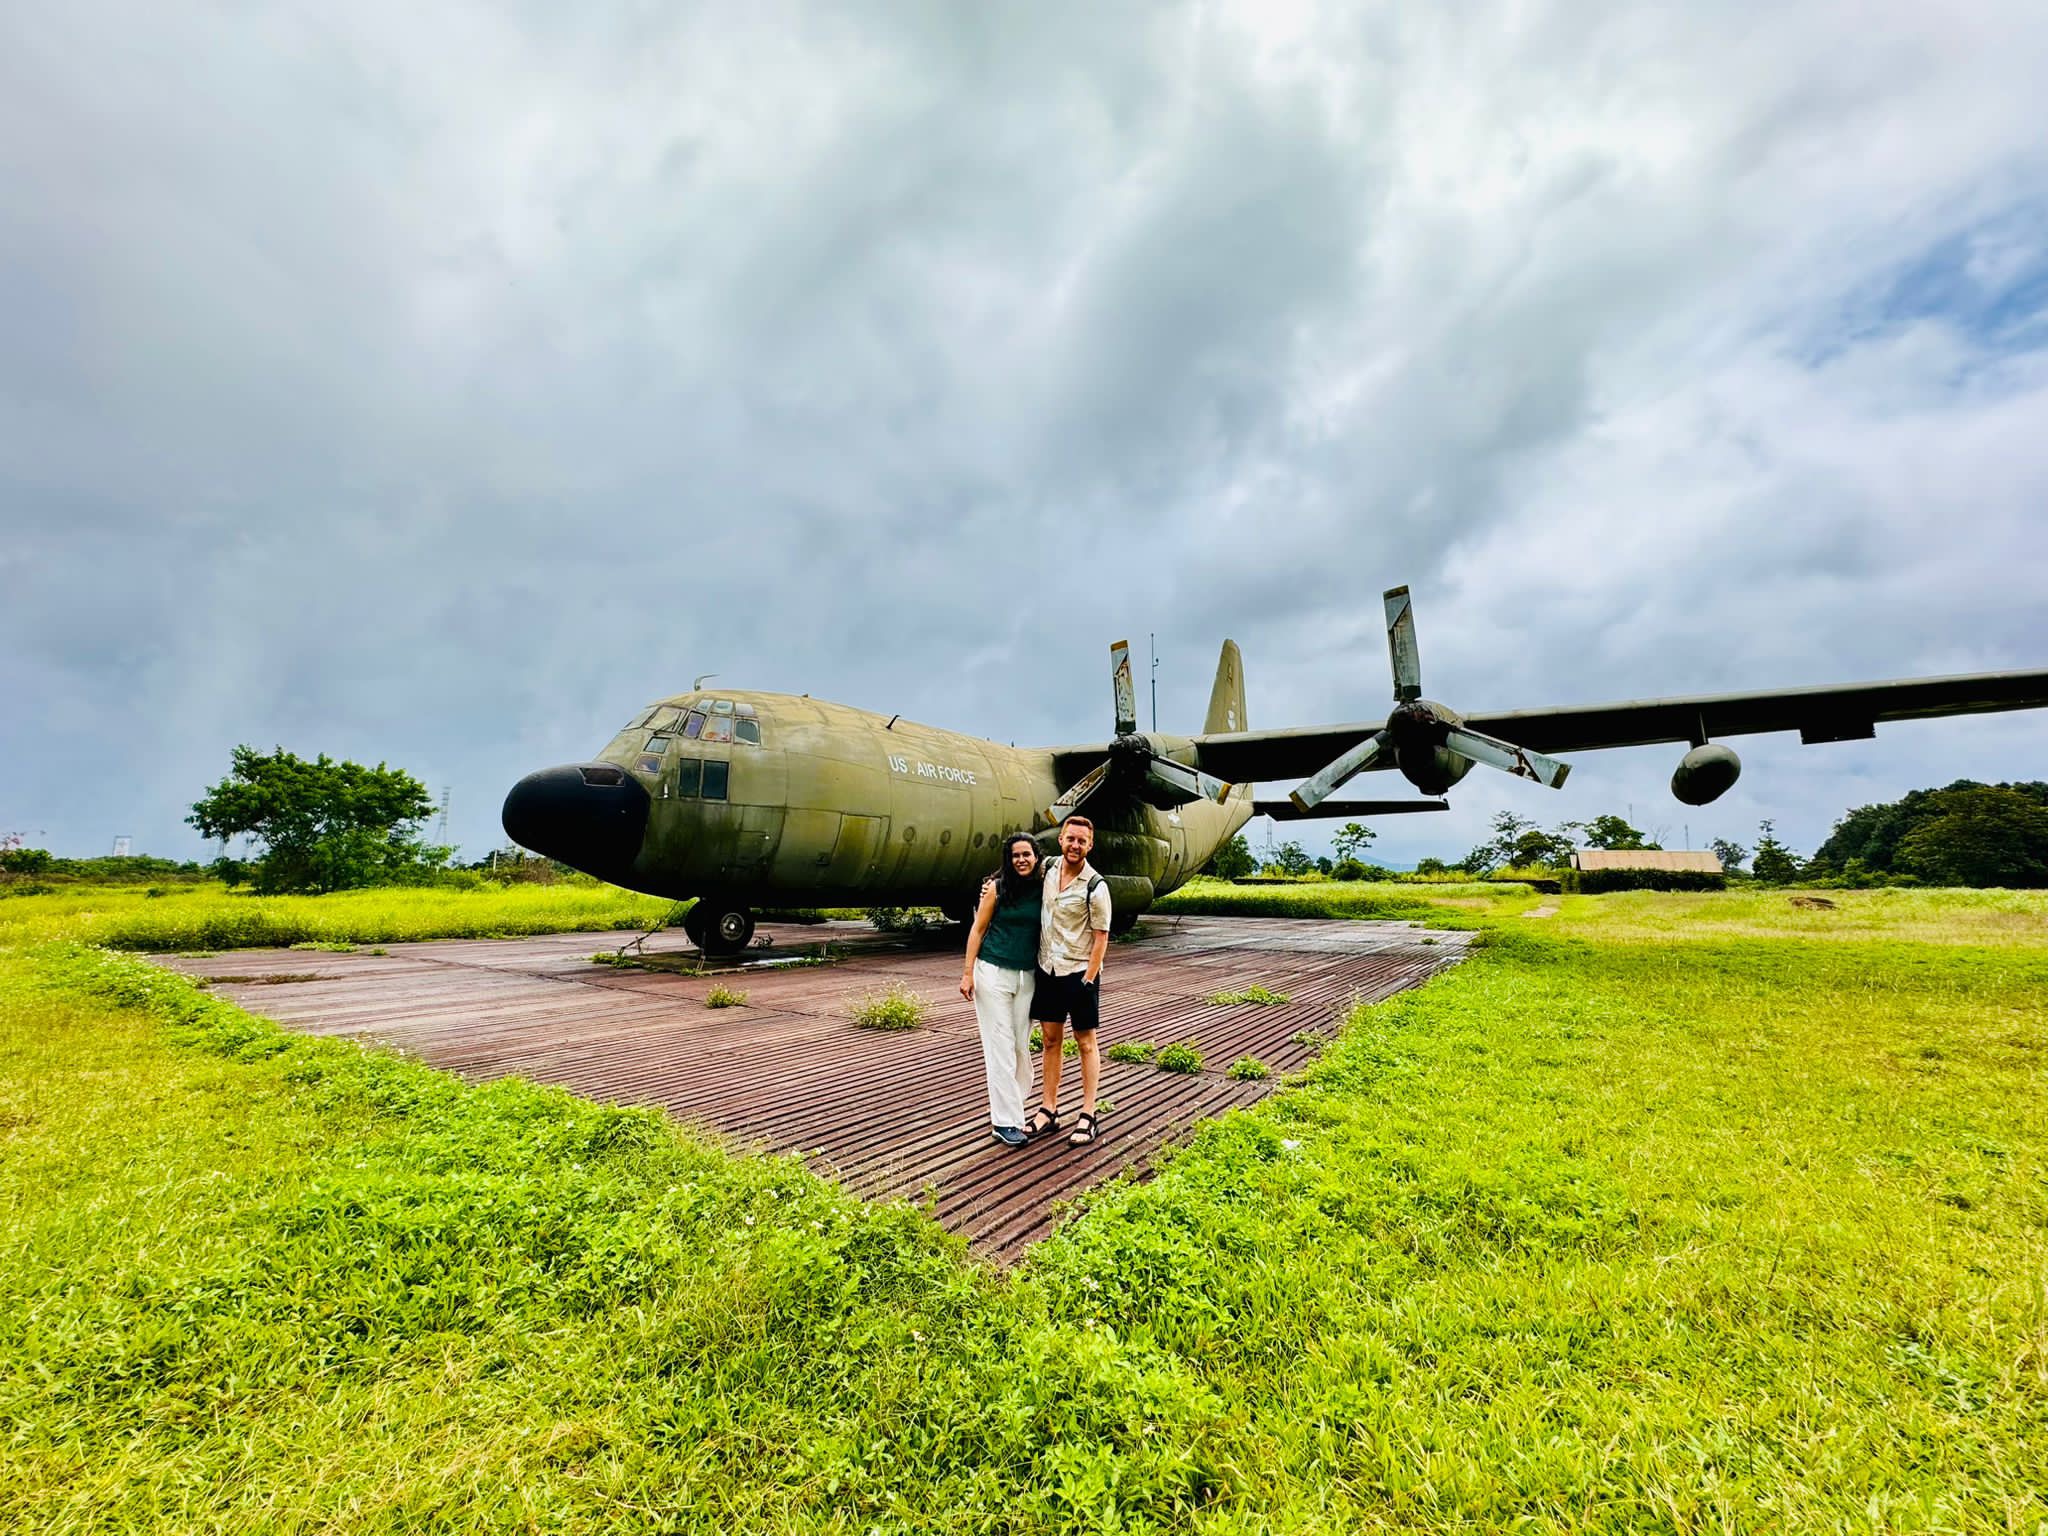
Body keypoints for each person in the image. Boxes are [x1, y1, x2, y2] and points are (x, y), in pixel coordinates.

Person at [1028, 814, 1113, 1147]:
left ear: (1090, 845)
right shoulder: (1048, 869)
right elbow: (1017, 870)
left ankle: (1088, 1113)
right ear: (1060, 839)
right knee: (1050, 1040)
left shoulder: (1096, 886)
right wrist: (989, 885)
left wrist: (1088, 980)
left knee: (1085, 1042)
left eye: (1082, 840)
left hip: (1079, 973)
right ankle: (1049, 1110)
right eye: (1070, 838)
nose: (1075, 845)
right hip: (1048, 969)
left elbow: (1101, 937)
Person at [959, 833, 1042, 1147]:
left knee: (1021, 1049)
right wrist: (968, 973)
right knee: (1000, 1049)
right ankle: (1004, 1121)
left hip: (1028, 976)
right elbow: (977, 929)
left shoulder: (1044, 888)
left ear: (1036, 857)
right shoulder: (996, 888)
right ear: (1008, 860)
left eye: (1026, 854)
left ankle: (1012, 1110)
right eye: (1015, 855)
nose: (1021, 860)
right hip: (992, 972)